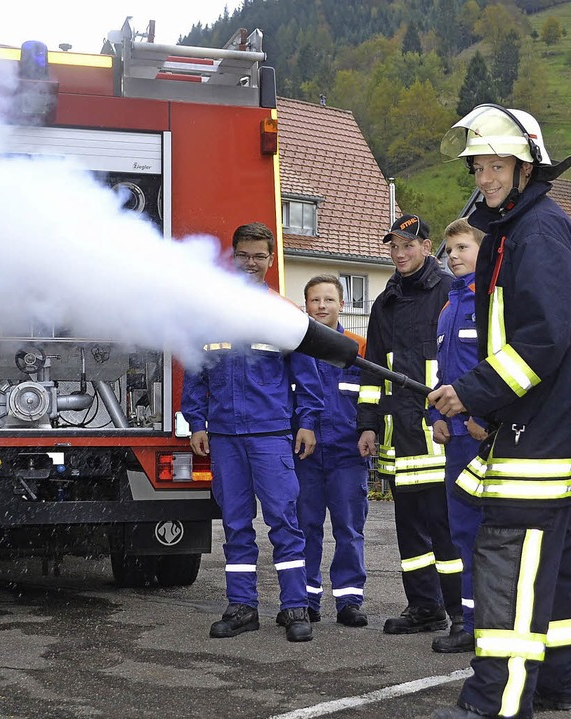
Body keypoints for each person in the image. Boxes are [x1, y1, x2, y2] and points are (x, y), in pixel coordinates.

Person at [429, 105, 571, 718]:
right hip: (536, 428)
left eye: (494, 166)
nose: (482, 179)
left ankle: (492, 705)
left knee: (508, 570)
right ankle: (558, 684)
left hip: (538, 443)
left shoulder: (536, 233)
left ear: (524, 167)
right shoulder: (520, 230)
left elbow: (545, 335)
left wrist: (477, 393)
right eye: (478, 167)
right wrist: (490, 404)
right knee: (554, 578)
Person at [181, 222, 324, 643]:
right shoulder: (211, 317)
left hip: (271, 436)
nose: (250, 262)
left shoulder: (282, 315)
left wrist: (308, 424)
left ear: (271, 260)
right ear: (233, 256)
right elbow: (195, 372)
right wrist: (197, 422)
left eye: (259, 255)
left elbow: (308, 378)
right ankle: (242, 607)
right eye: (243, 254)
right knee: (236, 525)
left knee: (284, 521)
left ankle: (294, 607)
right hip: (224, 438)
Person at [357, 214, 464, 638]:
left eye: (407, 245)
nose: (399, 253)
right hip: (397, 433)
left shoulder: (449, 291)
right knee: (409, 529)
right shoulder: (384, 303)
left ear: (426, 246)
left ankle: (461, 614)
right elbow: (371, 373)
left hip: (439, 429)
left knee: (446, 528)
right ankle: (424, 607)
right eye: (394, 246)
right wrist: (366, 424)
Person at [288, 274, 370, 627]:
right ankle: (306, 599)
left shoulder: (358, 347)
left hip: (348, 454)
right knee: (305, 527)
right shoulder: (293, 346)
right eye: (315, 300)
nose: (321, 306)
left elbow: (372, 397)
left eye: (329, 300)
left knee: (349, 529)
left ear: (342, 305)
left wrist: (369, 430)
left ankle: (349, 601)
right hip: (304, 455)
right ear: (305, 305)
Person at [428, 218, 487, 654]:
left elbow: (497, 366)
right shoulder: (449, 307)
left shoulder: (489, 302)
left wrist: (485, 415)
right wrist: (436, 416)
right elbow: (442, 374)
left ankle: (488, 623)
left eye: (464, 247)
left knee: (492, 534)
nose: (455, 256)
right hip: (457, 437)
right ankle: (469, 623)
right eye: (450, 250)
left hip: (485, 435)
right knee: (463, 531)